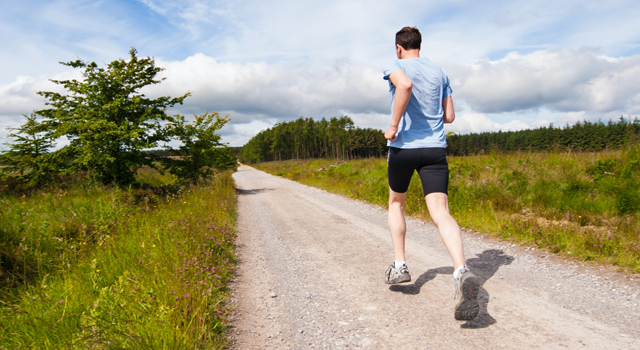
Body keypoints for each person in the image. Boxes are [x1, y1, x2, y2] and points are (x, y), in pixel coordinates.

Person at [382, 26, 479, 321]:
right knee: (440, 211)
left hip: (404, 148)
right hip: (435, 149)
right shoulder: (439, 72)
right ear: (419, 45)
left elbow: (405, 86)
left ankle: (400, 266)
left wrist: (394, 125)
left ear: (399, 47)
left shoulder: (395, 65)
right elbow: (449, 116)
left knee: (396, 203)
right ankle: (461, 269)